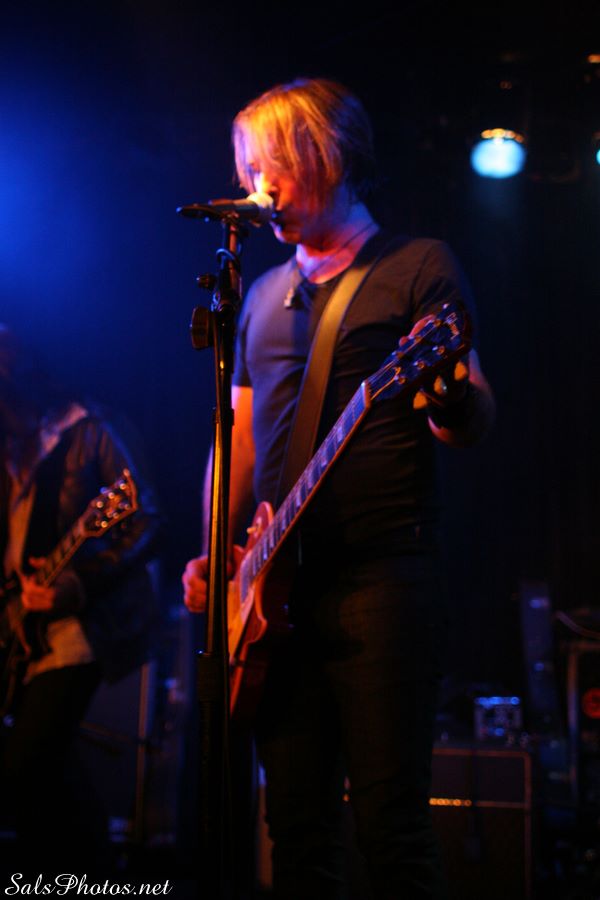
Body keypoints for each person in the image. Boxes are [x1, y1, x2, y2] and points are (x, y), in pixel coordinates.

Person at [183, 77, 495, 899]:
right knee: (296, 833)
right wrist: (217, 557)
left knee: (391, 829)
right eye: (250, 169)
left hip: (380, 577)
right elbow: (238, 441)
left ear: (328, 155)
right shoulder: (258, 294)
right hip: (272, 592)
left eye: (274, 165)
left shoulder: (417, 266)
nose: (261, 187)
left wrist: (450, 399)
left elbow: (472, 414)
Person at [0, 324, 162, 874]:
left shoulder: (91, 430)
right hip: (27, 635)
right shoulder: (17, 450)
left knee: (27, 767)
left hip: (79, 633)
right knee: (46, 774)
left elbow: (145, 521)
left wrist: (78, 582)